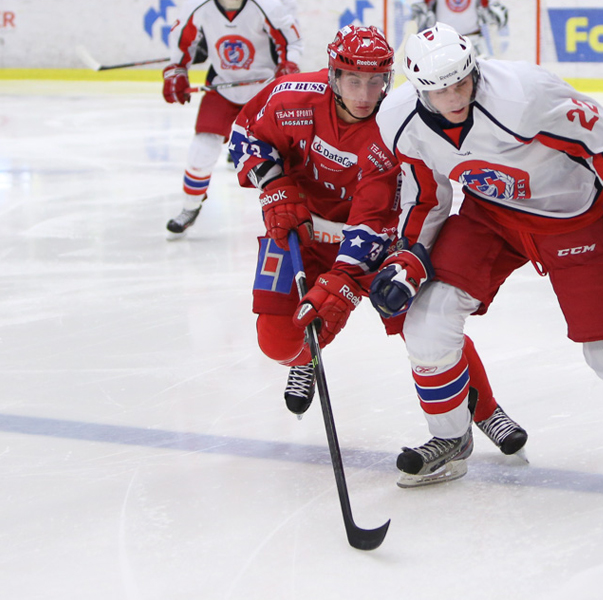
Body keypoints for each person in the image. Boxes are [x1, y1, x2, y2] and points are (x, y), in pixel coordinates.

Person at [370, 24, 603, 488]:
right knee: (427, 319)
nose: (454, 98)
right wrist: (410, 257)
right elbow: (426, 194)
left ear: (473, 70)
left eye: (461, 83)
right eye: (440, 90)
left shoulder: (523, 94)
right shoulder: (398, 120)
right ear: (417, 90)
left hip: (573, 218)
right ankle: (450, 437)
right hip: (491, 216)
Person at [229, 26, 527, 466]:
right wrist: (273, 184)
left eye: (376, 81)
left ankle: (485, 410)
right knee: (277, 342)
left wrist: (344, 278)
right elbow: (245, 133)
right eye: (353, 80)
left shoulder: (395, 125)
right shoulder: (290, 97)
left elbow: (375, 214)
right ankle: (305, 358)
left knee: (425, 325)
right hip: (298, 230)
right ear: (333, 75)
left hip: (372, 244)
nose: (365, 95)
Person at [163, 0, 302, 235]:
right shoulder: (198, 6)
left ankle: (296, 209)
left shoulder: (267, 6)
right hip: (222, 85)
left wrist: (289, 65)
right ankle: (190, 206)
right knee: (202, 148)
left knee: (283, 156)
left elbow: (291, 41)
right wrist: (176, 70)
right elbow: (182, 40)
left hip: (265, 89)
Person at [410, 0, 508, 57]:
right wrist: (425, 5)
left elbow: (499, 18)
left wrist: (486, 5)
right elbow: (415, 19)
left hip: (474, 42)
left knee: (481, 76)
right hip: (443, 43)